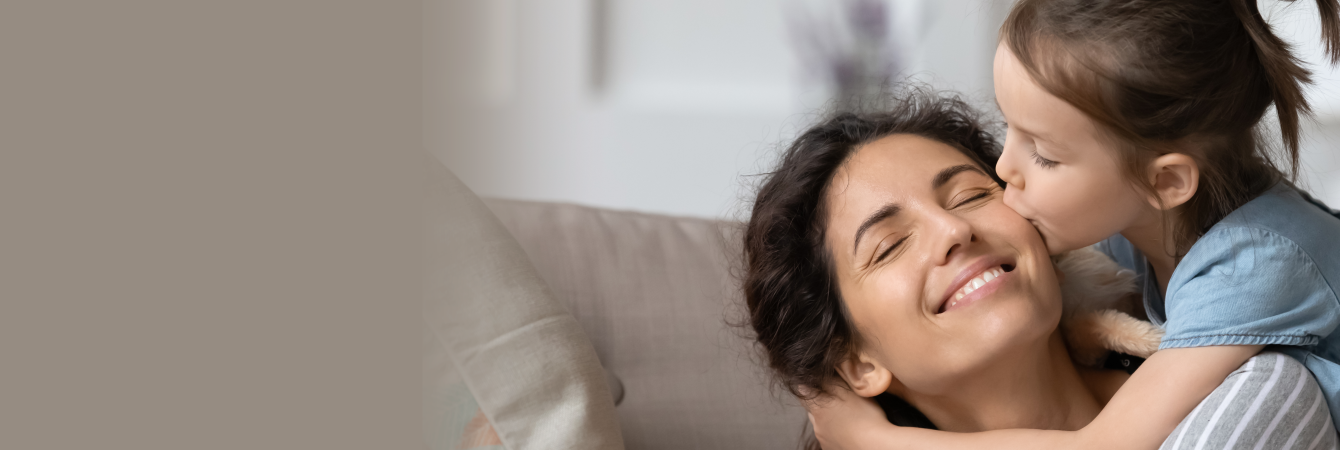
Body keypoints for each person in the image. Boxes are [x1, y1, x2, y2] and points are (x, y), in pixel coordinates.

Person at [805, 0, 1340, 448]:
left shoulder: (1256, 268)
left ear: (1166, 183)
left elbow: (1102, 446)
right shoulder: (1134, 237)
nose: (1000, 168)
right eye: (889, 245)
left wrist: (875, 440)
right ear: (854, 362)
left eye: (1043, 153)